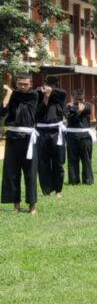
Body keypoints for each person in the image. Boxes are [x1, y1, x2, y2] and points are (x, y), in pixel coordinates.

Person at [1, 76, 40, 213]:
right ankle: (16, 206)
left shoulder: (33, 95)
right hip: (12, 137)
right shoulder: (12, 95)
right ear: (16, 84)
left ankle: (32, 206)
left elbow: (21, 96)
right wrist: (8, 94)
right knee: (11, 172)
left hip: (28, 138)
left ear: (30, 84)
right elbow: (2, 110)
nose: (23, 86)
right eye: (20, 84)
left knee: (30, 173)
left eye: (25, 84)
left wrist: (11, 91)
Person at [35, 76, 67, 197]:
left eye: (52, 85)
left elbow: (62, 93)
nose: (48, 87)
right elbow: (37, 111)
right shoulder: (38, 94)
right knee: (43, 162)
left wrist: (50, 91)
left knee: (58, 161)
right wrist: (45, 96)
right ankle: (46, 190)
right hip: (41, 131)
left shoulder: (60, 95)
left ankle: (58, 190)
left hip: (56, 131)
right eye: (46, 84)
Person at [64, 91, 95, 186]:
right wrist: (78, 111)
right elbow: (69, 119)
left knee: (86, 159)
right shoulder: (67, 107)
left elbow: (87, 109)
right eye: (77, 99)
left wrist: (75, 110)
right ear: (72, 97)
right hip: (72, 136)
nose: (79, 101)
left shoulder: (88, 105)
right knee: (72, 159)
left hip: (85, 136)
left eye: (81, 99)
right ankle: (74, 180)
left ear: (84, 98)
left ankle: (88, 180)